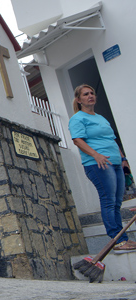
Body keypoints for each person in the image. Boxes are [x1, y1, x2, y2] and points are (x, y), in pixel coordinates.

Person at [69, 84, 136, 253]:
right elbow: (77, 140)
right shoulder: (77, 118)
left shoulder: (101, 118)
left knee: (117, 202)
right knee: (108, 200)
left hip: (115, 163)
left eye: (92, 93)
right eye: (86, 94)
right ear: (79, 100)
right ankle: (118, 241)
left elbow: (112, 140)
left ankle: (121, 238)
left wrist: (123, 159)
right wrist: (96, 155)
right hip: (97, 164)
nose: (90, 96)